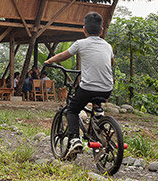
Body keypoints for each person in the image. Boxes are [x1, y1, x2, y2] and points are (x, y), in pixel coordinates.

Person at [44, 11, 113, 160]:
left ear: (84, 29)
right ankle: (98, 123)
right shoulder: (108, 46)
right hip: (107, 88)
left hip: (88, 88)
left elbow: (63, 55)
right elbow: (110, 62)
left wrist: (49, 61)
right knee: (96, 105)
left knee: (71, 110)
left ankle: (75, 139)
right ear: (101, 31)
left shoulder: (80, 43)